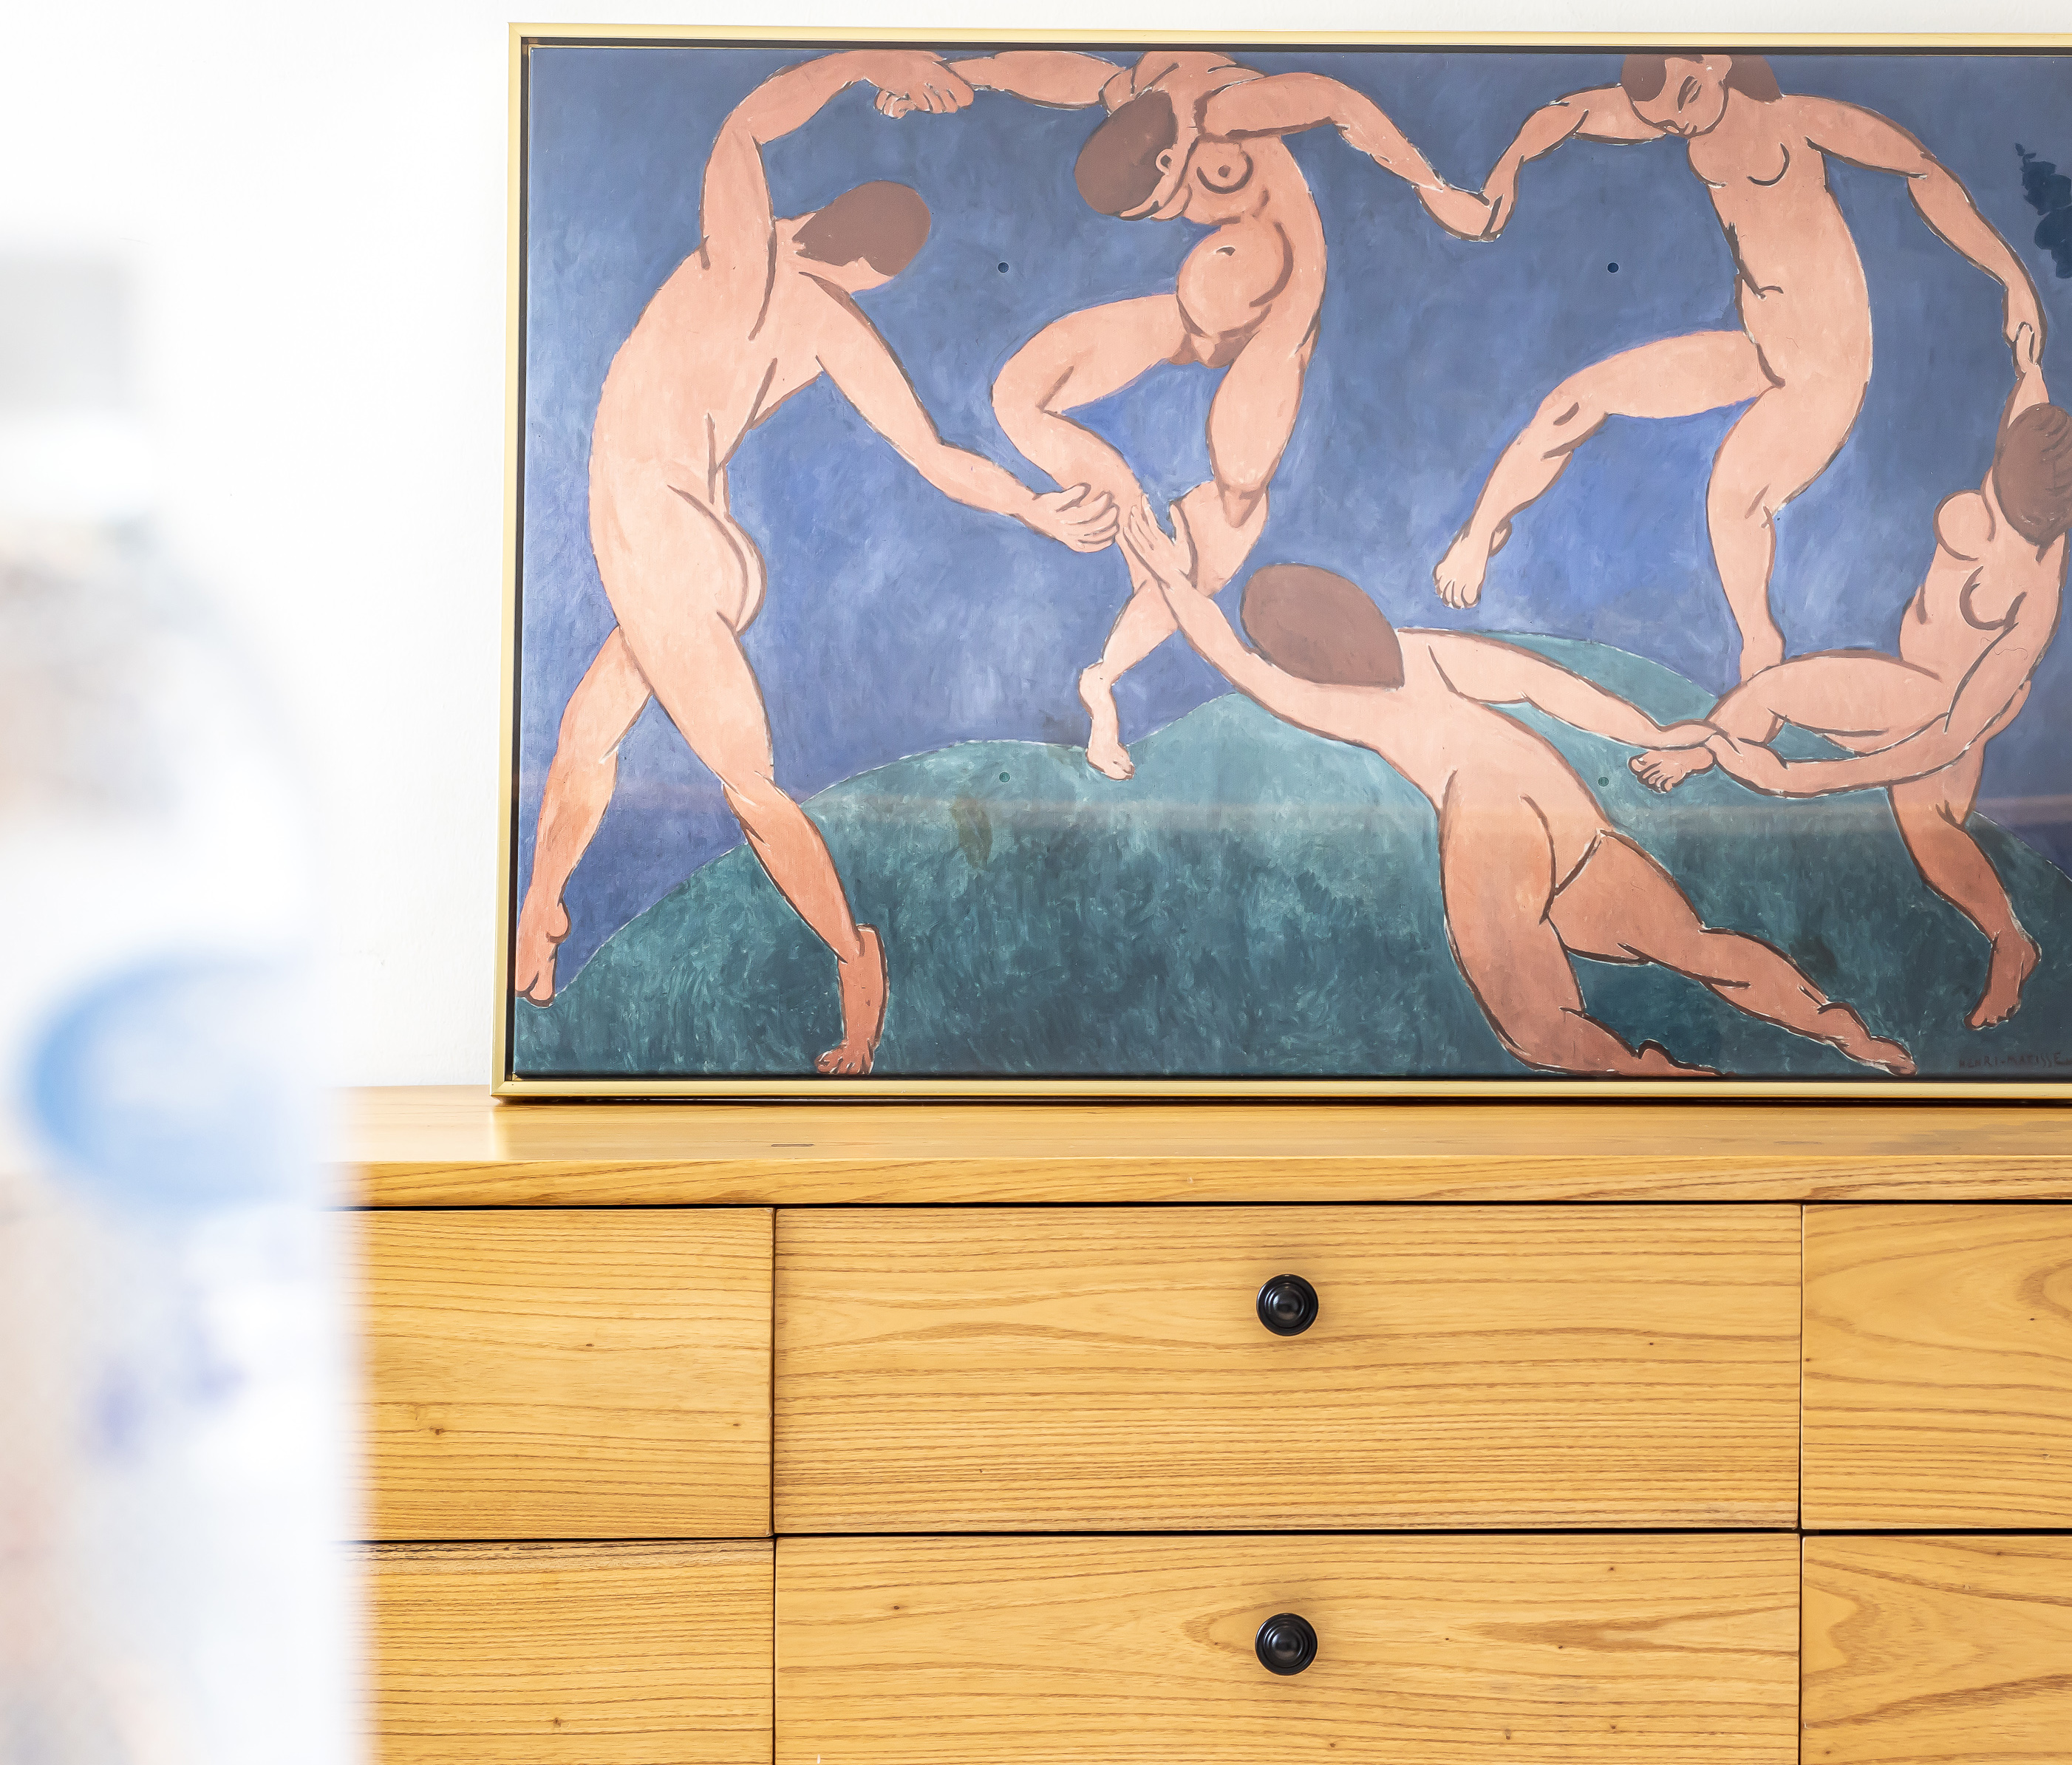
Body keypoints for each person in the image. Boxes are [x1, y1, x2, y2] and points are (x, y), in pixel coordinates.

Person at [511, 50, 1117, 1073]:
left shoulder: (747, 260)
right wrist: (1033, 507)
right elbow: (935, 455)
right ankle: (539, 913)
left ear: (829, 221)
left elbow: (745, 128)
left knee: (745, 784)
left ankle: (854, 954)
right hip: (692, 541)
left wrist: (866, 65)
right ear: (876, 272)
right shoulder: (830, 320)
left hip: (664, 531)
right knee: (589, 730)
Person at [1154, 560, 1914, 1078]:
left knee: (1536, 1029)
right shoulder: (1424, 650)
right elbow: (1543, 685)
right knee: (1695, 945)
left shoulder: (1330, 698)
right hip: (1559, 801)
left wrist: (1168, 575)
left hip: (1492, 819)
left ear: (1296, 653)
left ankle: (1658, 1080)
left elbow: (1231, 658)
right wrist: (1650, 730)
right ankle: (1844, 1031)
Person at [950, 49, 1487, 778]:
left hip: (1275, 322)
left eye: (1162, 202)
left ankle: (1106, 673)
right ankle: (1127, 512)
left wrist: (1433, 187)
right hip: (1191, 315)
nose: (1169, 216)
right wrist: (966, 72)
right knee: (1017, 392)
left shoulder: (1231, 111)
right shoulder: (1140, 90)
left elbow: (1335, 100)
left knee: (1233, 508)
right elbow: (1059, 74)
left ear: (1172, 157)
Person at [1430, 52, 2047, 683]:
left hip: (1825, 373)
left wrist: (2013, 279)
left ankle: (1760, 656)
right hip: (1761, 348)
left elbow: (1922, 170)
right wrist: (1504, 176)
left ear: (1717, 62)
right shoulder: (1682, 114)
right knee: (1576, 399)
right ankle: (1479, 536)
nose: (1682, 124)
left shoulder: (1796, 122)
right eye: (1666, 123)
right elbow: (1569, 113)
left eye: (1687, 98)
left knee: (1732, 497)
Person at [1629, 392, 2072, 1030]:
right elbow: (2029, 387)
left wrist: (1809, 779)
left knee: (1773, 693)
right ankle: (2013, 942)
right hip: (1941, 695)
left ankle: (1700, 750)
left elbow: (1949, 736)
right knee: (1933, 831)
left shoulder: (2035, 599)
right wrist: (2020, 327)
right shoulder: (2032, 462)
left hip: (1934, 702)